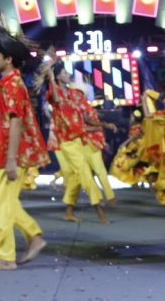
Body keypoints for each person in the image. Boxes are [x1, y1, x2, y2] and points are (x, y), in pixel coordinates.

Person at [0, 28, 50, 271]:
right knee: (5, 203)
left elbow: (16, 123)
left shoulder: (12, 86)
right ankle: (34, 237)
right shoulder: (8, 84)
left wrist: (10, 159)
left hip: (11, 155)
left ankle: (5, 257)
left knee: (1, 207)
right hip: (2, 152)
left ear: (8, 59)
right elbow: (1, 122)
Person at [44, 60, 108, 224]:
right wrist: (51, 78)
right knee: (86, 175)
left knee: (76, 178)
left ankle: (69, 212)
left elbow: (83, 117)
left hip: (79, 140)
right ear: (58, 77)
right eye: (64, 73)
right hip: (67, 143)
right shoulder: (53, 93)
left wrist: (102, 125)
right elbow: (57, 100)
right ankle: (100, 212)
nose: (68, 75)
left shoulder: (72, 94)